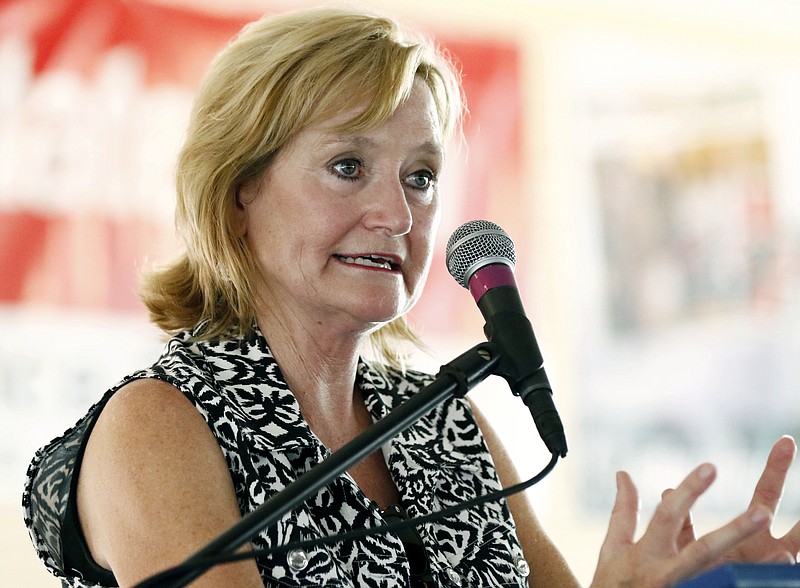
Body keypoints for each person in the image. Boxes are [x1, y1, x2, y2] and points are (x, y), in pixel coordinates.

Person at [22, 6, 799, 588]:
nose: (398, 215)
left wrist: (711, 584)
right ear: (238, 194)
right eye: (348, 167)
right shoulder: (160, 426)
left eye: (420, 177)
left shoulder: (454, 425)